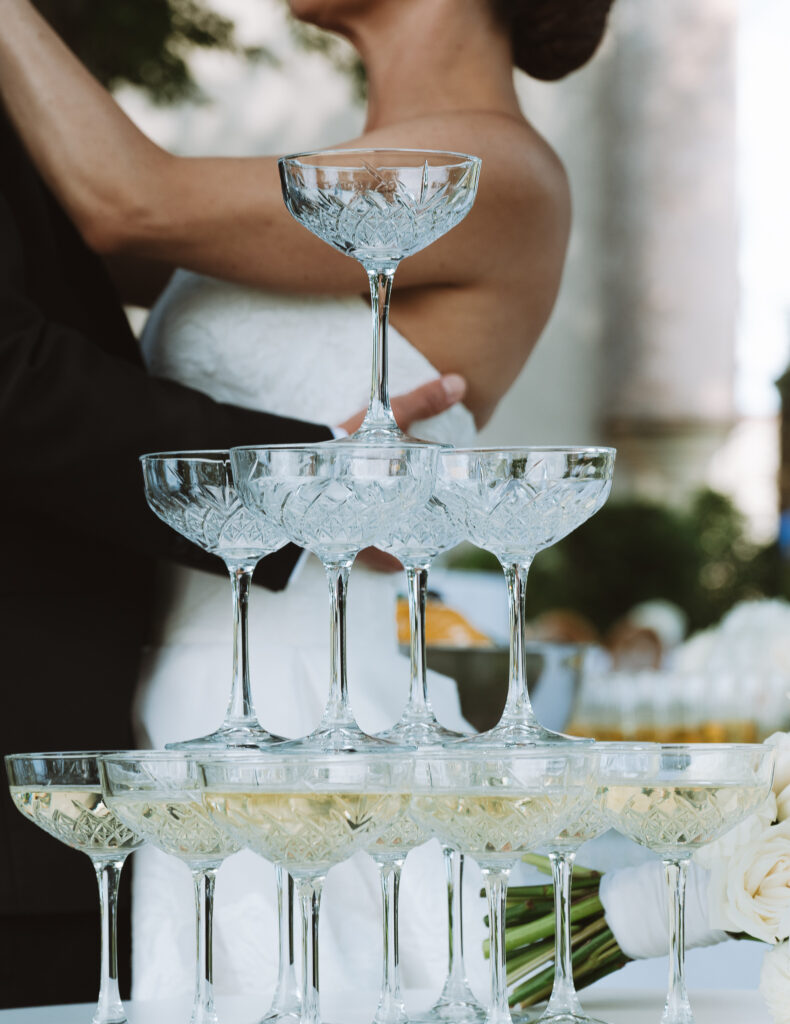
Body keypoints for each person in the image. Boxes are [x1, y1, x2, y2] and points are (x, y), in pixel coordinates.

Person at [0, 0, 617, 1007]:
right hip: (170, 710)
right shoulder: (315, 171)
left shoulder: (496, 176)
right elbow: (69, 232)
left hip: (308, 715)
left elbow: (124, 202)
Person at [0, 108, 464, 1011]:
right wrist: (305, 487)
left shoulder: (471, 174)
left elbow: (127, 211)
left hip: (254, 712)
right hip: (121, 737)